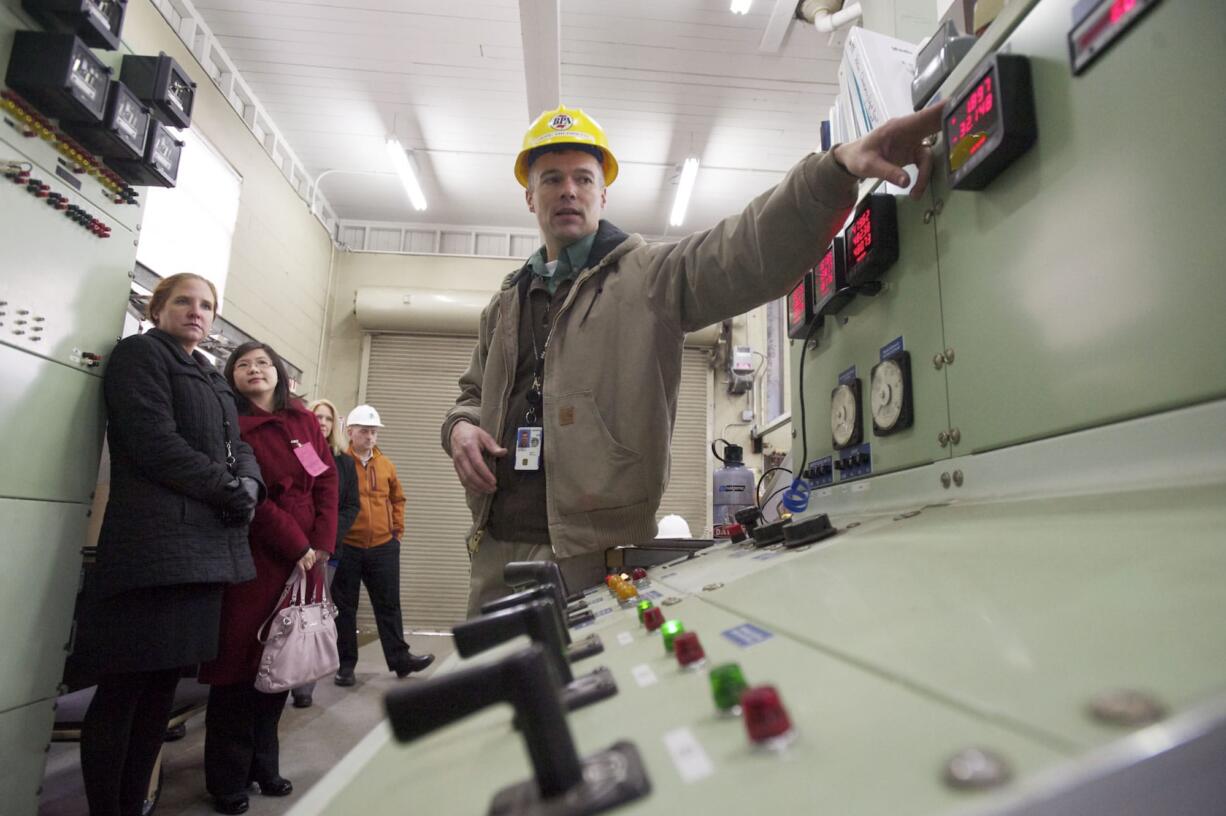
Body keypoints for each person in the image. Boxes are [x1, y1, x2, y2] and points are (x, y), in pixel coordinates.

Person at [443, 103, 944, 616]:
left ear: (603, 192)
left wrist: (836, 170)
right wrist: (460, 428)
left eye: (582, 178)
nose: (568, 190)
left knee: (587, 693)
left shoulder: (647, 278)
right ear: (530, 196)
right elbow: (471, 396)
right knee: (486, 690)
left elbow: (746, 249)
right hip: (495, 552)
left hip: (589, 560)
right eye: (551, 179)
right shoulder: (505, 306)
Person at [77, 273, 263, 816]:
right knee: (124, 692)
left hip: (203, 551)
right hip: (152, 550)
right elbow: (152, 441)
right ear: (158, 308)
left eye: (206, 305)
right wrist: (226, 486)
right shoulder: (141, 355)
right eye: (183, 301)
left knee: (158, 697)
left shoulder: (209, 375)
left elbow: (239, 445)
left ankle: (133, 804)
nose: (196, 312)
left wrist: (250, 482)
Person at [200, 342, 338, 815]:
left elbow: (325, 481)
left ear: (278, 373)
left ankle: (265, 765)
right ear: (231, 377)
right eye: (243, 365)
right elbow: (253, 500)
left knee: (281, 665)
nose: (254, 370)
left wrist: (321, 543)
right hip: (255, 556)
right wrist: (297, 544)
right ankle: (227, 780)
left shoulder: (302, 421)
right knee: (241, 669)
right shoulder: (230, 426)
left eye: (262, 363)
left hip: (303, 560)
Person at [332, 405, 434, 685]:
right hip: (348, 546)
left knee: (389, 605)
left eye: (374, 431)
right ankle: (345, 666)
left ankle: (401, 661)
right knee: (345, 607)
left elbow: (398, 499)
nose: (370, 436)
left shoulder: (386, 464)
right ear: (350, 432)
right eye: (364, 431)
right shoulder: (339, 462)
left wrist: (396, 533)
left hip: (383, 546)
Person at [290, 398, 361, 709]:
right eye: (316, 416)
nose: (321, 422)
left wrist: (326, 538)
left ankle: (304, 686)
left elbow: (349, 506)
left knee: (311, 617)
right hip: (290, 547)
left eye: (327, 419)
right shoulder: (295, 453)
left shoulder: (344, 462)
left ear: (335, 426)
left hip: (325, 553)